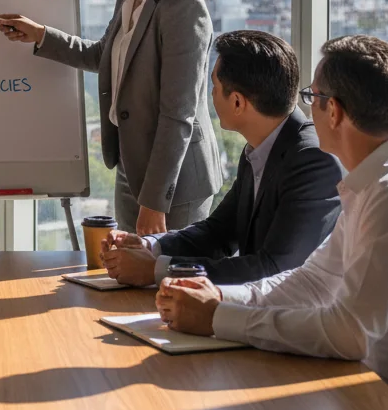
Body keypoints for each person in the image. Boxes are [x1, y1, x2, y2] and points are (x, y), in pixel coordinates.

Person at [155, 35, 388, 410]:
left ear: (333, 111)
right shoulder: (379, 180)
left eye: (312, 96)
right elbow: (314, 282)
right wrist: (219, 297)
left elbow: (349, 334)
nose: (307, 109)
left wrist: (219, 317)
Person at [0, 0, 222, 234]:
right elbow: (107, 55)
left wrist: (154, 202)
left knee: (166, 282)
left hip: (175, 185)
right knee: (132, 280)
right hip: (132, 169)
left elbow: (177, 115)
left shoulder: (184, 7)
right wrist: (40, 36)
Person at [101, 30, 341, 286]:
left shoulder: (313, 160)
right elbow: (218, 233)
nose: (211, 95)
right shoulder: (260, 148)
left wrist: (156, 270)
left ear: (237, 102)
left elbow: (274, 269)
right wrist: (149, 246)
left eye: (214, 87)